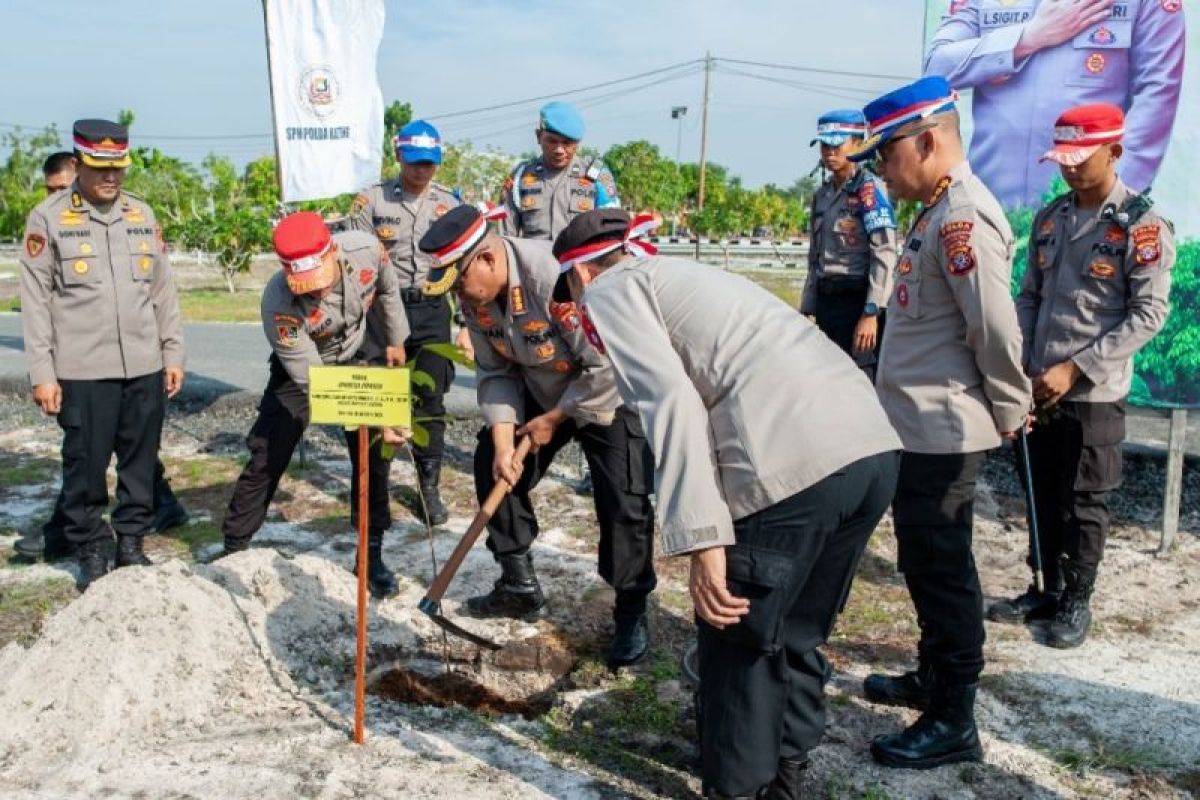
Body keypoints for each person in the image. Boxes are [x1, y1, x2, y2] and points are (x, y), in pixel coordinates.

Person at [553, 208, 902, 798]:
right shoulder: (679, 279)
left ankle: (737, 788)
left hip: (792, 467)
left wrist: (704, 538)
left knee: (737, 642)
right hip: (870, 450)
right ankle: (784, 780)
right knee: (793, 633)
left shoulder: (612, 290)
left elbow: (672, 404)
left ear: (582, 277)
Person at [848, 77, 1033, 769]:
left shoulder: (962, 219)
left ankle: (954, 717)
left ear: (928, 141)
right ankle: (931, 676)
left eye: (887, 152)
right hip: (917, 429)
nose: (881, 169)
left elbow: (994, 330)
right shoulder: (932, 213)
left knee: (945, 571)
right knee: (923, 564)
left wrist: (1012, 408)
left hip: (947, 433)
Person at [416, 205, 656, 667]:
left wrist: (557, 417)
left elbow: (605, 364)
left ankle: (630, 609)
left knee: (623, 500)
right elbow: (495, 370)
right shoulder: (474, 296)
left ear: (486, 259)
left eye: (461, 283)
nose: (461, 300)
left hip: (607, 395)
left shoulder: (554, 277)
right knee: (493, 463)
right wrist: (505, 443)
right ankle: (518, 583)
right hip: (541, 389)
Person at [987, 103, 1173, 647]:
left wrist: (1078, 367)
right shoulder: (1052, 219)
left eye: (1079, 159)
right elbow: (1029, 296)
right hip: (1040, 385)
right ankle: (1044, 585)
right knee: (1040, 489)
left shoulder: (1140, 227)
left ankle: (1076, 601)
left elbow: (1149, 315)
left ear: (1114, 152)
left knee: (1085, 499)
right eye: (1061, 160)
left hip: (1095, 392)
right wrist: (1021, 364)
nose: (1068, 169)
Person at [18, 119, 185, 588]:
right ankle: (92, 546)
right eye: (99, 167)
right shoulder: (49, 218)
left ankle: (131, 543)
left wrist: (172, 353)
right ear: (78, 164)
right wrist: (42, 373)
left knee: (140, 461)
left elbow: (163, 292)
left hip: (144, 364)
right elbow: (35, 303)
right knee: (85, 466)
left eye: (118, 168)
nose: (111, 177)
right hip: (82, 369)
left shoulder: (142, 215)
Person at [220, 212, 408, 598]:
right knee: (268, 451)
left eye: (321, 280)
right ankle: (233, 549)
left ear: (334, 251)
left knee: (373, 459)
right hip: (306, 371)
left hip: (359, 352)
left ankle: (370, 555)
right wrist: (369, 410)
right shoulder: (278, 303)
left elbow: (388, 290)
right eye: (306, 286)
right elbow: (314, 380)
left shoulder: (368, 250)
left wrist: (394, 338)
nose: (317, 292)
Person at [925, 0, 1186, 208]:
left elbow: (1157, 96)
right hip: (987, 208)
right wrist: (1026, 38)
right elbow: (936, 69)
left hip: (1084, 210)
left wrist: (1112, 202)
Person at [349, 120, 463, 525]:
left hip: (432, 309)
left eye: (429, 163)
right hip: (383, 311)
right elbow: (356, 266)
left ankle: (426, 485)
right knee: (383, 395)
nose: (421, 171)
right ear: (399, 156)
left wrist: (465, 322)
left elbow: (464, 266)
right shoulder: (371, 203)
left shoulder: (450, 205)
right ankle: (373, 487)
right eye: (414, 162)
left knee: (431, 400)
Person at [800, 109, 898, 379]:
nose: (829, 153)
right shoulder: (821, 196)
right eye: (824, 146)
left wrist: (871, 312)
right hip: (826, 300)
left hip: (857, 301)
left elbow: (885, 252)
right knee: (829, 377)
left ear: (857, 145)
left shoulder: (869, 190)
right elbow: (814, 256)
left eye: (836, 145)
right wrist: (808, 304)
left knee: (861, 379)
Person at [499, 101, 620, 241]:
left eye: (567, 143)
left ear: (577, 143)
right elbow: (506, 238)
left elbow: (611, 233)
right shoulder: (520, 176)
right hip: (532, 261)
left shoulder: (597, 175)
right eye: (552, 141)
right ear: (538, 137)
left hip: (579, 261)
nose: (559, 150)